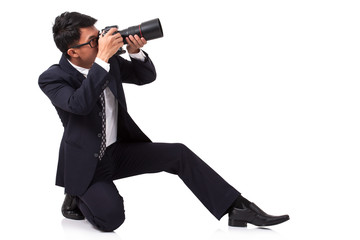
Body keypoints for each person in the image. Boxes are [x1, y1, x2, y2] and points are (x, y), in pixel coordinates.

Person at [38, 11, 289, 232]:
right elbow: (79, 105)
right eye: (94, 42)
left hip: (117, 151)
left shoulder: (108, 61)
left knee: (178, 153)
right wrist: (102, 59)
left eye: (99, 36)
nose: (102, 43)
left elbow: (144, 77)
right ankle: (76, 194)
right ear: (73, 52)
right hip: (86, 164)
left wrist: (135, 53)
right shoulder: (52, 78)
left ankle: (238, 208)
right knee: (111, 219)